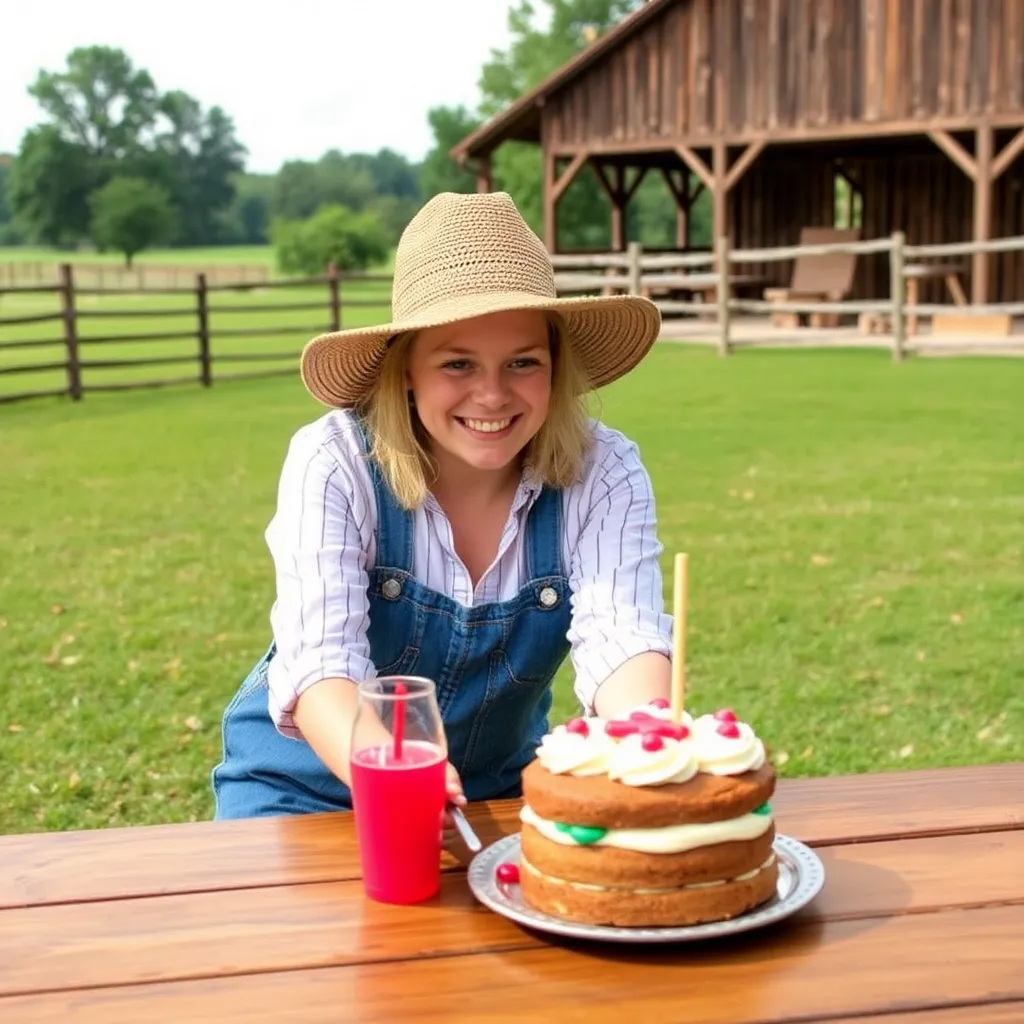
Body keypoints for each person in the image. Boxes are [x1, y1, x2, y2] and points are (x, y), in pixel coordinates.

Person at [212, 190, 675, 821]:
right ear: (406, 369)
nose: (492, 394)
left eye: (523, 362)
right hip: (304, 792)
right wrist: (398, 774)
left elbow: (623, 638)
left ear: (555, 365)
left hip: (493, 794)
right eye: (458, 363)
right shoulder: (336, 460)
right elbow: (322, 664)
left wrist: (650, 740)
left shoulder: (605, 470)